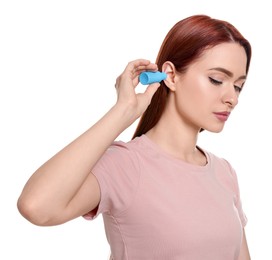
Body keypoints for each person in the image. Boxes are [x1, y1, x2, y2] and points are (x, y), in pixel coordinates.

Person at [17, 14, 251, 260]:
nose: (232, 98)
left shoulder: (224, 172)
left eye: (238, 86)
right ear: (171, 76)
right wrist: (122, 112)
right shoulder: (126, 165)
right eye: (217, 80)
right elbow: (36, 206)